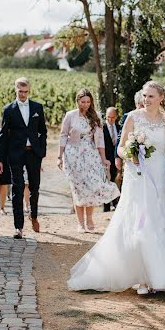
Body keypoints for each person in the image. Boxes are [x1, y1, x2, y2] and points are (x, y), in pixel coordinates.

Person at [67, 81, 165, 295]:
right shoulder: (133, 117)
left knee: (157, 222)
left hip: (159, 177)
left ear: (161, 98)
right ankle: (140, 278)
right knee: (138, 223)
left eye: (151, 96)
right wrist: (130, 153)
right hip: (137, 176)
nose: (146, 100)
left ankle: (157, 276)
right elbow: (120, 148)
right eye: (144, 96)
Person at [57, 89, 120, 233]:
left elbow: (100, 141)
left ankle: (90, 218)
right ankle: (80, 223)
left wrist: (104, 158)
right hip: (73, 155)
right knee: (78, 188)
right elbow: (63, 136)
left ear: (91, 102)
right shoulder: (70, 115)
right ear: (77, 101)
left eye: (88, 102)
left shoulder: (96, 116)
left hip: (91, 155)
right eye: (82, 101)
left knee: (91, 187)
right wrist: (59, 157)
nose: (85, 104)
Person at [0, 77, 47, 239]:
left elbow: (43, 132)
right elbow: (3, 135)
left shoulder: (37, 107)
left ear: (29, 90)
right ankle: (18, 227)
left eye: (25, 92)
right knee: (17, 189)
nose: (23, 94)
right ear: (16, 90)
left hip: (33, 153)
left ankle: (34, 216)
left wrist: (42, 152)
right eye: (20, 91)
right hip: (16, 154)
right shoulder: (8, 109)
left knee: (34, 187)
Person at [114, 90, 144, 174]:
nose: (143, 108)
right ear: (137, 104)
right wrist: (117, 157)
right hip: (132, 156)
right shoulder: (128, 116)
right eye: (141, 105)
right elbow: (120, 137)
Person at [102, 107, 120, 212]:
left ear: (116, 117)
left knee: (115, 180)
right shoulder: (102, 127)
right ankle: (106, 205)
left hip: (116, 158)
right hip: (105, 158)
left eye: (113, 117)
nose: (110, 119)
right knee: (105, 181)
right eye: (108, 117)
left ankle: (115, 202)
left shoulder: (119, 127)